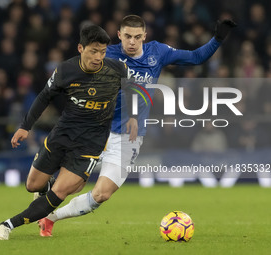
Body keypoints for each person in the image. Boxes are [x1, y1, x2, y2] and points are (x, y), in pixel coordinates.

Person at [38, 15, 236, 237]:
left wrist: (217, 39)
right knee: (73, 184)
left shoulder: (157, 53)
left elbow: (196, 57)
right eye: (128, 37)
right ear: (119, 35)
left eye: (137, 37)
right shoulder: (106, 54)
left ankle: (50, 218)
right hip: (96, 130)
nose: (132, 42)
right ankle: (44, 189)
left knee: (102, 194)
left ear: (145, 36)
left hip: (127, 137)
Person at [0, 24, 138, 240]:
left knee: (59, 193)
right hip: (62, 135)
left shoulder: (117, 70)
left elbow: (132, 90)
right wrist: (25, 126)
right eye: (93, 51)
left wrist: (133, 115)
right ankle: (47, 187)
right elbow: (44, 96)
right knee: (33, 185)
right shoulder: (66, 70)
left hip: (90, 144)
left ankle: (7, 225)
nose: (98, 57)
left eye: (103, 52)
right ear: (81, 48)